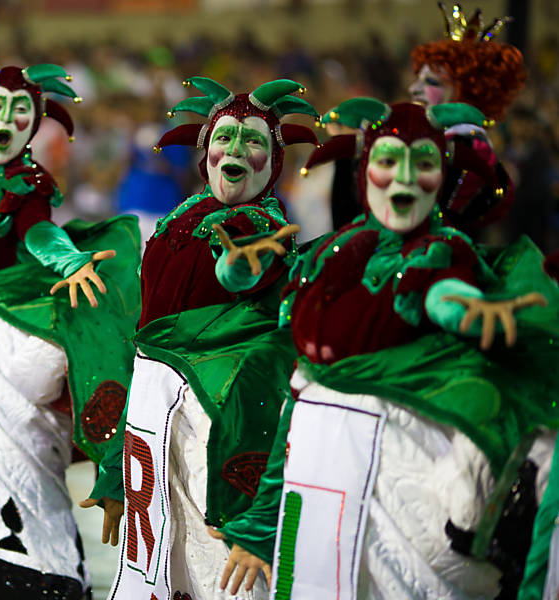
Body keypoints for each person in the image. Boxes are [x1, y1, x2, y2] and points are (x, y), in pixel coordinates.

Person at [218, 99, 558, 599]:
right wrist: (237, 271)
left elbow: (440, 288)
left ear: (441, 175)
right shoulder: (336, 250)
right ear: (365, 171)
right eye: (388, 161)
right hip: (313, 469)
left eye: (422, 164)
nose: (404, 178)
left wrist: (464, 308)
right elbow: (292, 376)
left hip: (395, 471)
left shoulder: (442, 248)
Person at [0, 61, 140, 599]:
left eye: (22, 110)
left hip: (0, 346)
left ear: (36, 122)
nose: (7, 118)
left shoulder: (26, 182)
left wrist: (66, 261)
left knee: (17, 473)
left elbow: (39, 231)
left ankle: (53, 580)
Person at [92, 77, 318, 600]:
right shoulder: (182, 215)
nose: (236, 150)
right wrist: (113, 467)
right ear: (206, 151)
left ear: (274, 163)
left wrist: (237, 271)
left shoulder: (260, 224)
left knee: (221, 573)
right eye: (225, 138)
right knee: (167, 570)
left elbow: (247, 271)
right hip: (153, 419)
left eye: (254, 140)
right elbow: (146, 347)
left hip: (214, 429)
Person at [332, 3, 527, 231]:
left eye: (431, 82)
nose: (413, 89)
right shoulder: (441, 141)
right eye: (418, 79)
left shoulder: (469, 146)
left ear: (464, 91)